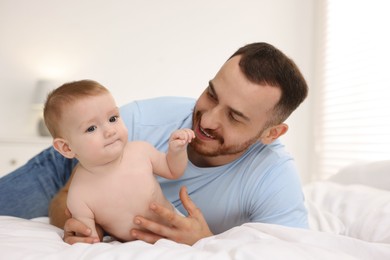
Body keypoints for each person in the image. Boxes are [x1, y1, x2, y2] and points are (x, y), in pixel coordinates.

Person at [0, 42, 309, 246]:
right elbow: (68, 195)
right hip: (81, 158)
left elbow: (292, 251)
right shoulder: (135, 124)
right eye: (212, 94)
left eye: (235, 116)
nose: (208, 120)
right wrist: (82, 223)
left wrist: (206, 241)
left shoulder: (273, 178)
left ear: (272, 134)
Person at [43, 80, 195, 242]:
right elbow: (89, 238)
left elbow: (173, 171)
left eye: (113, 118)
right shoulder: (79, 193)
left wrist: (176, 151)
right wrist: (86, 236)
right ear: (66, 148)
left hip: (175, 231)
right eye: (91, 128)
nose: (110, 131)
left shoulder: (141, 151)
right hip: (129, 246)